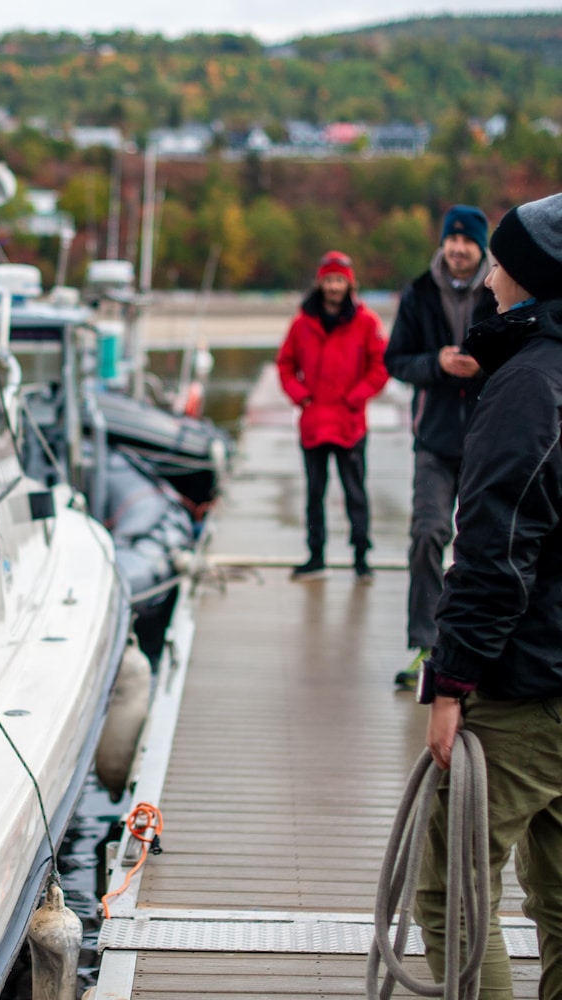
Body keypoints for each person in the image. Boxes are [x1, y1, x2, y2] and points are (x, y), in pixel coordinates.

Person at [414, 192, 562, 1000]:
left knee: (450, 900)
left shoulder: (530, 386)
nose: (489, 273)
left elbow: (496, 553)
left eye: (502, 260)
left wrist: (451, 683)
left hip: (525, 684)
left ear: (531, 281)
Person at [384, 206, 498, 689]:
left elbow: (525, 354)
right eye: (450, 241)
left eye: (466, 242)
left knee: (484, 544)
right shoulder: (419, 291)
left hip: (488, 436)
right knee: (428, 534)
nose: (457, 249)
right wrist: (437, 363)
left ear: (480, 246)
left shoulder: (501, 289)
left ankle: (480, 650)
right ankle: (426, 646)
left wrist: (482, 365)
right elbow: (396, 359)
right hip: (432, 437)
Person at [276, 250, 389, 583]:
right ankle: (315, 556)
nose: (334, 286)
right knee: (314, 494)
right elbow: (285, 365)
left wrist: (355, 398)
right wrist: (301, 396)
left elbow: (380, 367)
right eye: (329, 279)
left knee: (355, 492)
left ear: (349, 284)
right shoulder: (301, 323)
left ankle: (361, 557)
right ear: (320, 282)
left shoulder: (367, 322)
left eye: (340, 280)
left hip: (349, 423)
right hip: (313, 422)